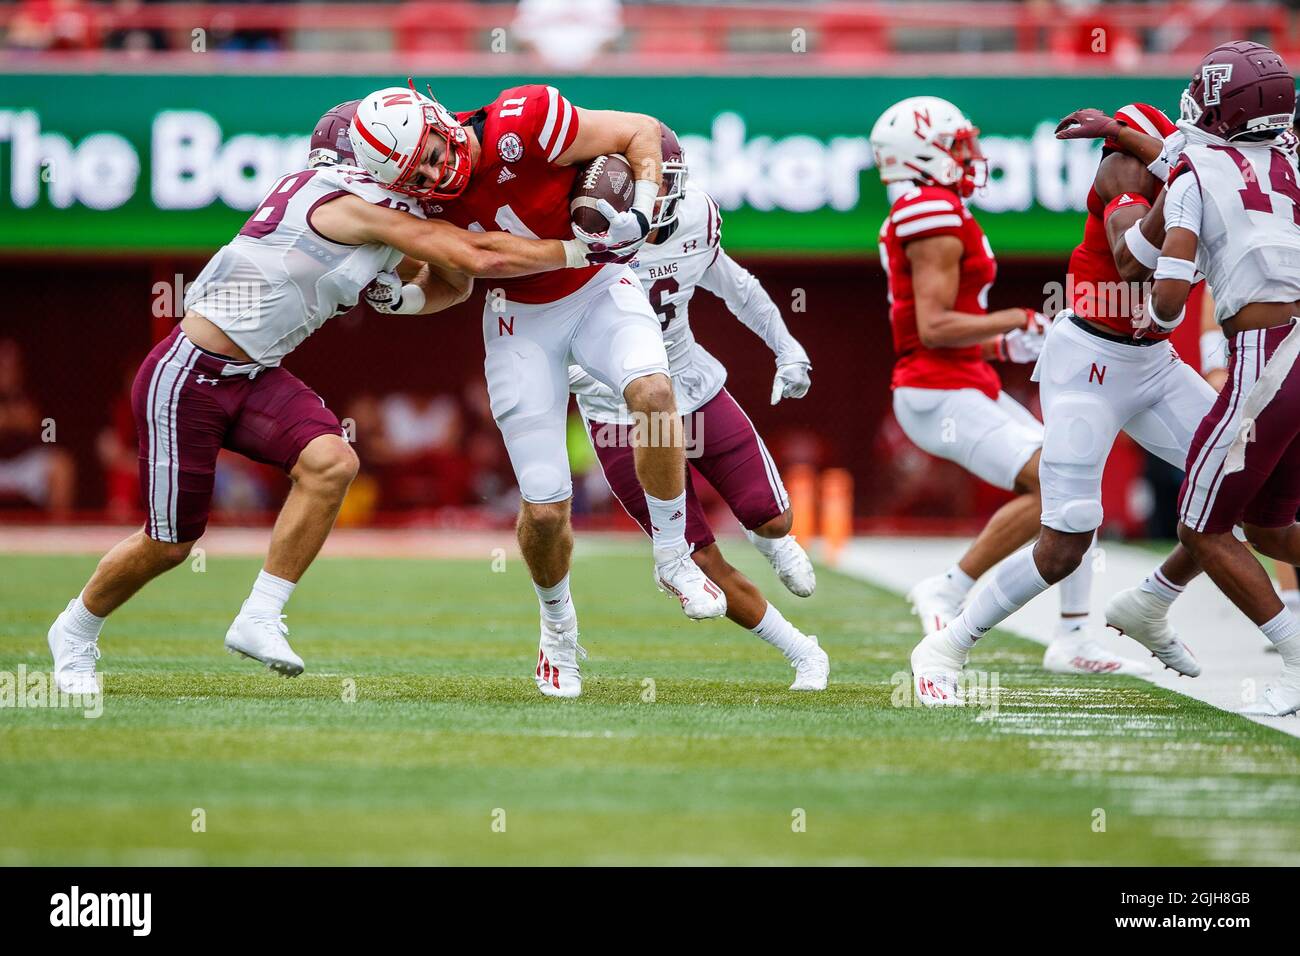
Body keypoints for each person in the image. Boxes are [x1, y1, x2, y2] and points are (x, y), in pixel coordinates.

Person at [45, 97, 605, 695]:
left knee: (332, 462)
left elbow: (453, 278)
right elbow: (471, 255)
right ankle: (74, 630)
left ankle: (260, 614)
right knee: (171, 542)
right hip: (189, 373)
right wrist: (579, 248)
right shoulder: (349, 204)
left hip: (253, 371)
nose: (421, 177)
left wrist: (409, 295)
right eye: (407, 166)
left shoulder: (367, 204)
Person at [346, 82, 728, 698]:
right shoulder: (419, 210)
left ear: (442, 121)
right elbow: (460, 279)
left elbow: (643, 131)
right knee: (547, 507)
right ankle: (557, 627)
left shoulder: (524, 119)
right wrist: (411, 298)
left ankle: (673, 554)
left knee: (656, 395)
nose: (441, 173)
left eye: (437, 154)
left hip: (601, 288)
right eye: (423, 174)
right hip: (519, 320)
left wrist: (642, 207)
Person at [909, 99, 1219, 705]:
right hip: (1092, 364)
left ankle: (1155, 602)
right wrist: (1132, 146)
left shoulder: (1194, 166)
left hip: (1154, 360)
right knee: (1068, 533)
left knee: (1241, 479)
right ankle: (948, 645)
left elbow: (1202, 169)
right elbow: (1131, 262)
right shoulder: (1123, 172)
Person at [869, 95, 1142, 677]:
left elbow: (948, 325)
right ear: (923, 155)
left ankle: (1072, 635)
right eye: (958, 145)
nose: (972, 155)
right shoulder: (932, 212)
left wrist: (1003, 343)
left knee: (1075, 475)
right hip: (937, 390)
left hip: (963, 379)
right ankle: (949, 588)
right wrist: (1016, 321)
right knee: (1055, 484)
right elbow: (933, 328)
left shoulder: (940, 207)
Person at [569, 124, 828, 690]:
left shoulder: (695, 217)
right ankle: (803, 651)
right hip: (618, 409)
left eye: (666, 183)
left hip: (690, 382)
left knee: (774, 517)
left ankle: (771, 540)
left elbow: (736, 286)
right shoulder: (584, 233)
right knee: (698, 558)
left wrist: (787, 348)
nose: (660, 195)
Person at [1141, 42, 1300, 715]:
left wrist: (1151, 303)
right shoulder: (1292, 154)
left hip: (1269, 355)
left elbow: (1170, 296)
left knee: (1202, 526)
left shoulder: (1193, 173)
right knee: (1270, 526)